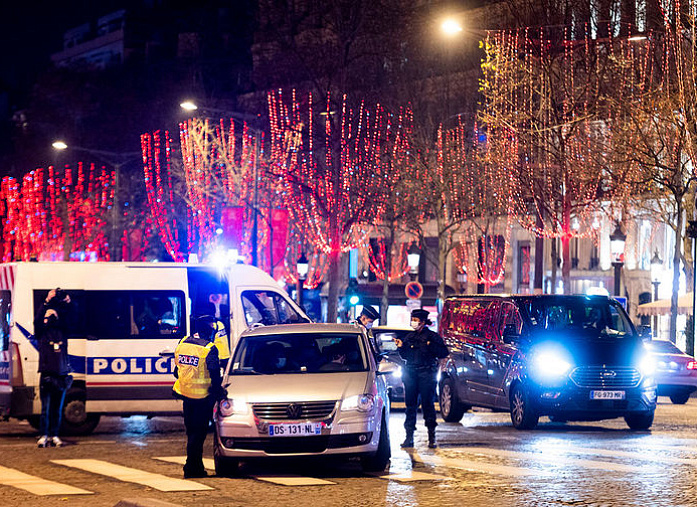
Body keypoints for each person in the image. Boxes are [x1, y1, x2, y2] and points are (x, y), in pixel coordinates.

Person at [172, 315, 226, 478]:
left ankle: (193, 466)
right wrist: (219, 392)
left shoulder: (183, 343)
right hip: (202, 397)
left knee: (191, 433)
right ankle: (192, 469)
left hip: (185, 395)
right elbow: (215, 375)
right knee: (198, 434)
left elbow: (177, 371)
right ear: (208, 332)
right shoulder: (209, 348)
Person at [395, 308, 449, 449]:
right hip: (411, 374)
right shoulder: (409, 337)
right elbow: (405, 356)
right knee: (410, 405)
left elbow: (443, 352)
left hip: (427, 374)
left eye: (416, 320)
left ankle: (432, 436)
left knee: (427, 404)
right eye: (412, 319)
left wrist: (432, 347)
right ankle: (409, 437)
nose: (413, 322)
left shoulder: (433, 337)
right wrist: (401, 347)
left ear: (423, 322)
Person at [34, 288, 73, 448]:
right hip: (47, 374)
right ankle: (44, 435)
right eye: (47, 316)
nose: (49, 317)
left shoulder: (62, 332)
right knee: (46, 408)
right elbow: (37, 321)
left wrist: (67, 304)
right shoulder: (42, 334)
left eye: (52, 315)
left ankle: (54, 435)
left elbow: (70, 320)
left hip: (60, 374)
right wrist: (46, 302)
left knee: (56, 408)